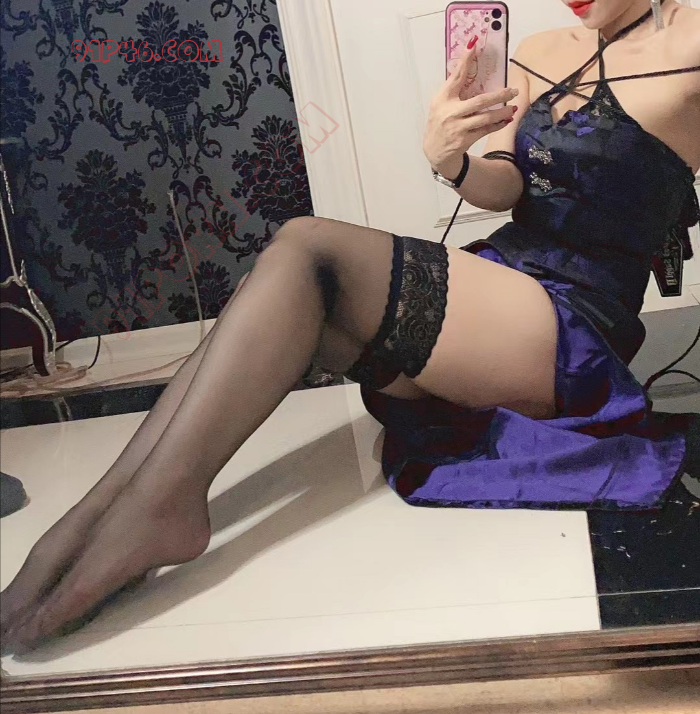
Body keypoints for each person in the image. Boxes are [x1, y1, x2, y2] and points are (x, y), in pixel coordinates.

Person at [1, 0, 699, 653]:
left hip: (575, 322)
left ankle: (155, 510)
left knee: (308, 246)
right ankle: (107, 510)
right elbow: (507, 186)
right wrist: (450, 160)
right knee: (288, 291)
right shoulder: (543, 48)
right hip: (505, 281)